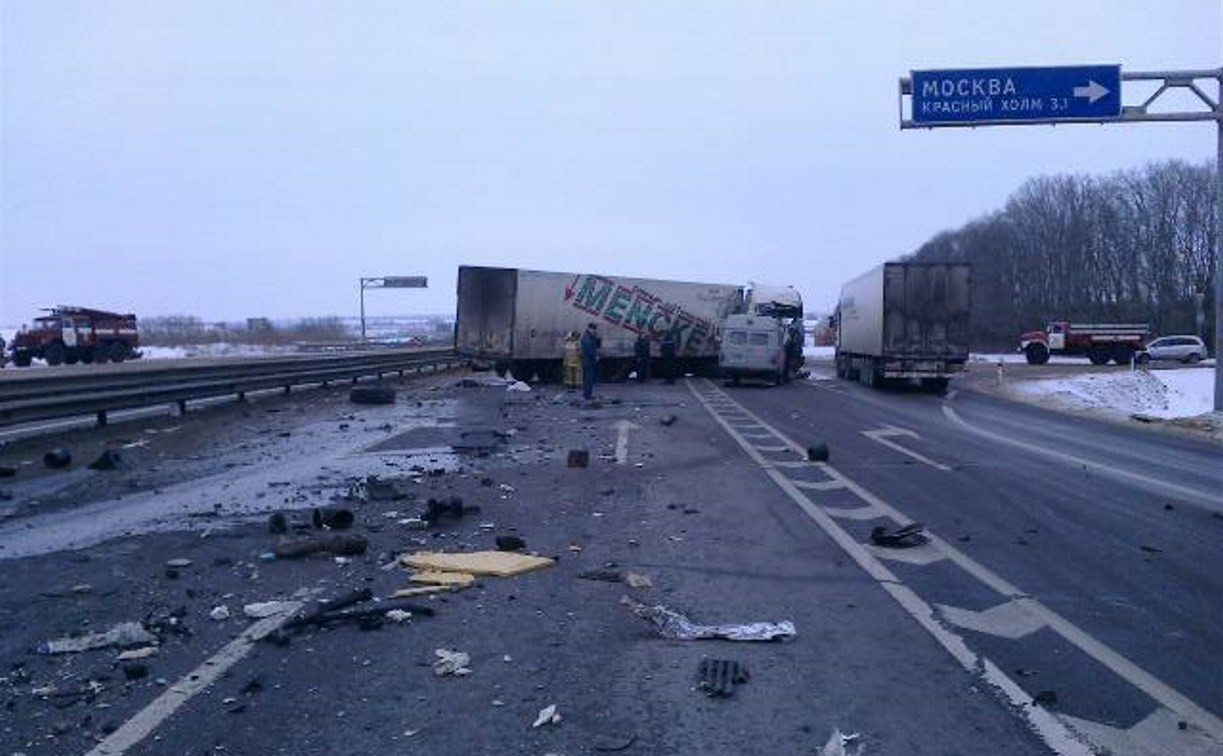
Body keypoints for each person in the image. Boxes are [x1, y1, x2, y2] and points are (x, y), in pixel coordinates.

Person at [580, 322, 601, 399]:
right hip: (588, 361)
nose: (595, 331)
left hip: (588, 361)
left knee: (589, 379)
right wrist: (595, 356)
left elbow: (597, 345)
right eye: (594, 329)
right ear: (590, 328)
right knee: (588, 378)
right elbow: (588, 349)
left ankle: (588, 394)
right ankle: (587, 395)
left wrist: (596, 337)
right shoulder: (587, 337)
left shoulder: (590, 336)